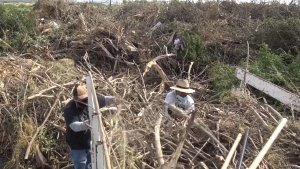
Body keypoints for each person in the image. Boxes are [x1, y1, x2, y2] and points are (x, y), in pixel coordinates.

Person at [63, 84, 118, 169]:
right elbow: (75, 126)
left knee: (90, 164)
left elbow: (105, 100)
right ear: (75, 100)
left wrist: (116, 99)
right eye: (81, 100)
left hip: (90, 143)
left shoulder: (91, 100)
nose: (84, 102)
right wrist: (92, 121)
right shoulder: (69, 109)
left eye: (85, 99)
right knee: (80, 166)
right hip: (77, 145)